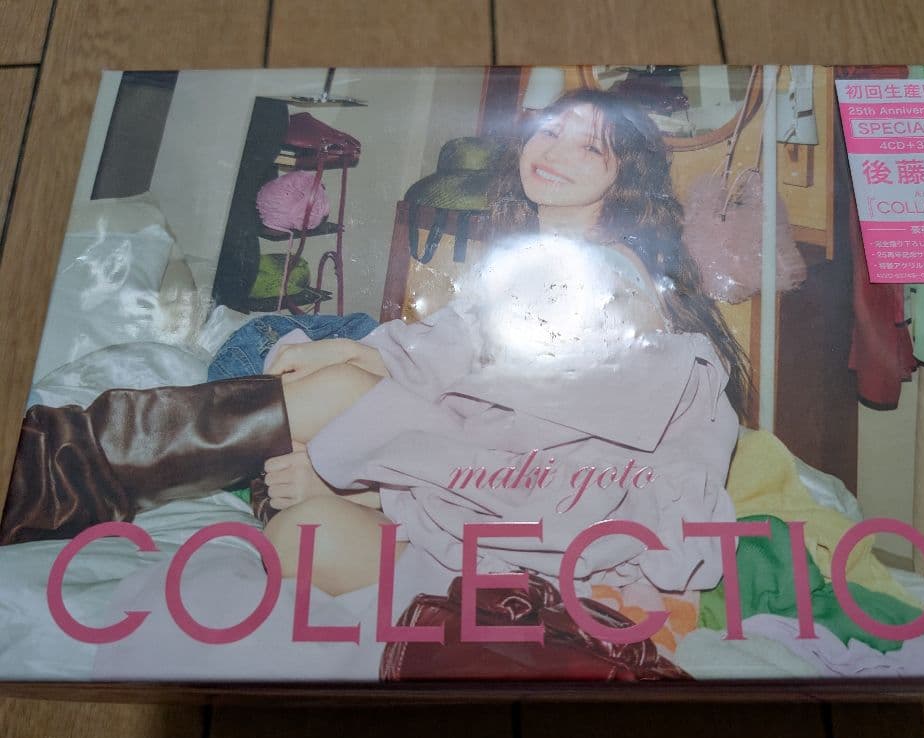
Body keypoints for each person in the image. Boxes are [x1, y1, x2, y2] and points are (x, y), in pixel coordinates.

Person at [1, 89, 749, 601]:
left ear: (624, 178)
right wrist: (361, 379)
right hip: (493, 487)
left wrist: (364, 435)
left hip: (541, 518)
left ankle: (61, 468)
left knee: (298, 426)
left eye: (590, 148)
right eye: (550, 130)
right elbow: (465, 373)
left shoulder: (596, 270)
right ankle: (48, 471)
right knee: (302, 387)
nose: (554, 152)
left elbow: (518, 436)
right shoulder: (562, 257)